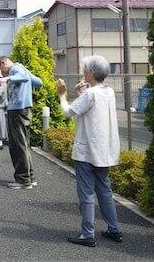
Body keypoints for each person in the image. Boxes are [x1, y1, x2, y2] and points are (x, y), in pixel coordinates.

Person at [57, 56, 122, 248]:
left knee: (86, 193)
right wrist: (79, 92)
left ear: (91, 73)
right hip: (104, 151)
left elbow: (69, 112)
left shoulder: (90, 94)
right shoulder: (108, 91)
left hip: (86, 151)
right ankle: (114, 228)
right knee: (104, 190)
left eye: (85, 68)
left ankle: (88, 234)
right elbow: (89, 108)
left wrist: (62, 95)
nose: (83, 71)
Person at [0, 56, 43, 190]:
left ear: (4, 63)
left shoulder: (16, 69)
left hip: (17, 110)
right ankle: (30, 177)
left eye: (2, 69)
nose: (3, 73)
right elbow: (38, 82)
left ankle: (23, 180)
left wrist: (8, 78)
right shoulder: (23, 69)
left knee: (18, 146)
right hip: (25, 109)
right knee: (24, 144)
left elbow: (23, 77)